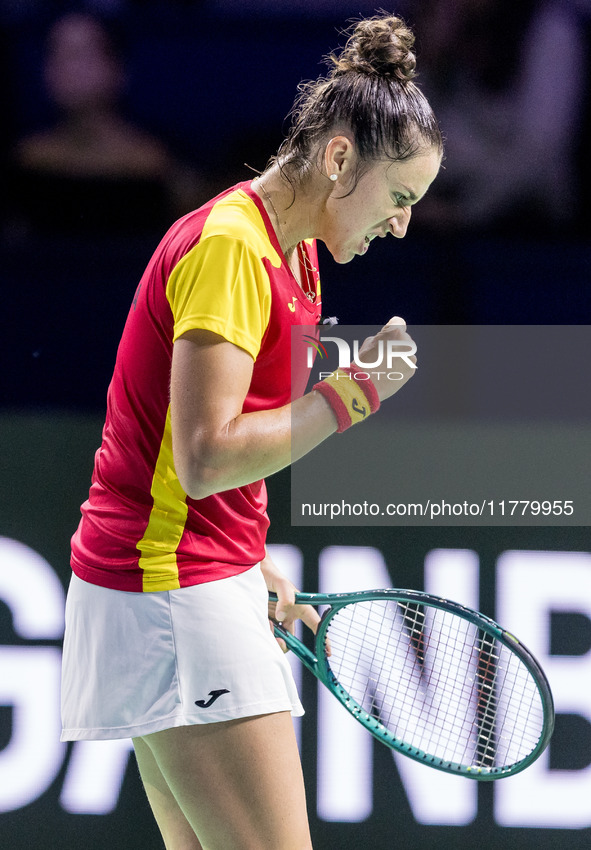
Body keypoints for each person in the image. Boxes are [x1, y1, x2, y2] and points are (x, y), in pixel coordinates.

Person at [60, 13, 442, 850]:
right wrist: (355, 392)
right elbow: (202, 459)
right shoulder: (232, 250)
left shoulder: (293, 250)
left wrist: (252, 554)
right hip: (168, 586)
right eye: (399, 197)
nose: (402, 224)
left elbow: (202, 442)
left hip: (184, 579)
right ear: (339, 158)